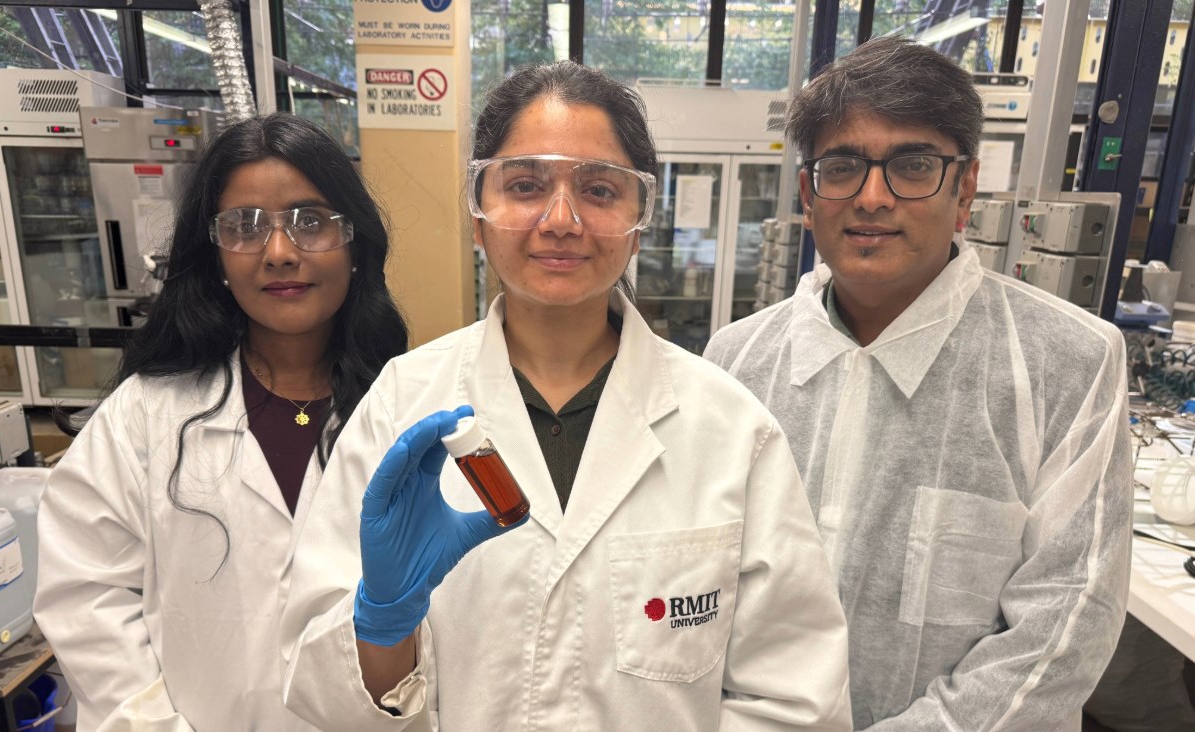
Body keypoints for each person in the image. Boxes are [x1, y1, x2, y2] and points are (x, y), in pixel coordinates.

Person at [279, 61, 852, 730]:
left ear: (639, 221)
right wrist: (383, 623)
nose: (560, 220)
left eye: (599, 190)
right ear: (478, 216)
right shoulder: (401, 403)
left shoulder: (730, 429)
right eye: (525, 186)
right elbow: (316, 691)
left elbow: (796, 698)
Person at [704, 36, 1132, 730]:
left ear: (965, 188)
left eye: (913, 165)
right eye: (842, 167)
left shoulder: (1068, 361)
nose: (873, 198)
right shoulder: (736, 360)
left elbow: (1066, 622)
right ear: (808, 194)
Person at [33, 112, 408, 730]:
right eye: (244, 227)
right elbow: (85, 595)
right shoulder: (145, 415)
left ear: (354, 244)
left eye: (311, 221)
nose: (280, 253)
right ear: (215, 256)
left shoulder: (405, 408)